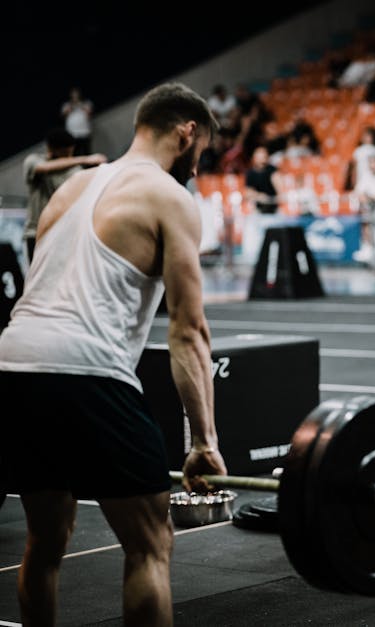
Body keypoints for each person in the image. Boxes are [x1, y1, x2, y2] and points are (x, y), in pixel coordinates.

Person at [0, 82, 227, 626]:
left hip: (12, 364)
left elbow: (42, 288)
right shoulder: (172, 198)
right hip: (86, 370)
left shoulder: (70, 188)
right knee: (150, 545)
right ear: (186, 131)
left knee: (45, 538)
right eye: (202, 155)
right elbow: (189, 332)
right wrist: (204, 443)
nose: (197, 169)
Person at [22, 128, 106, 260]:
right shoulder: (33, 160)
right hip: (37, 234)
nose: (69, 156)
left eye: (70, 152)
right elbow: (43, 168)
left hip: (63, 234)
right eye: (65, 152)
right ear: (52, 149)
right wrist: (85, 159)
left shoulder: (74, 169)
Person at [61, 87, 94, 155]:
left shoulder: (86, 103)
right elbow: (64, 115)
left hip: (84, 132)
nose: (75, 96)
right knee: (74, 153)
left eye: (76, 94)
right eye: (73, 94)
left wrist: (80, 105)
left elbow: (89, 114)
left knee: (87, 152)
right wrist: (72, 106)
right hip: (72, 133)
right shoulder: (66, 105)